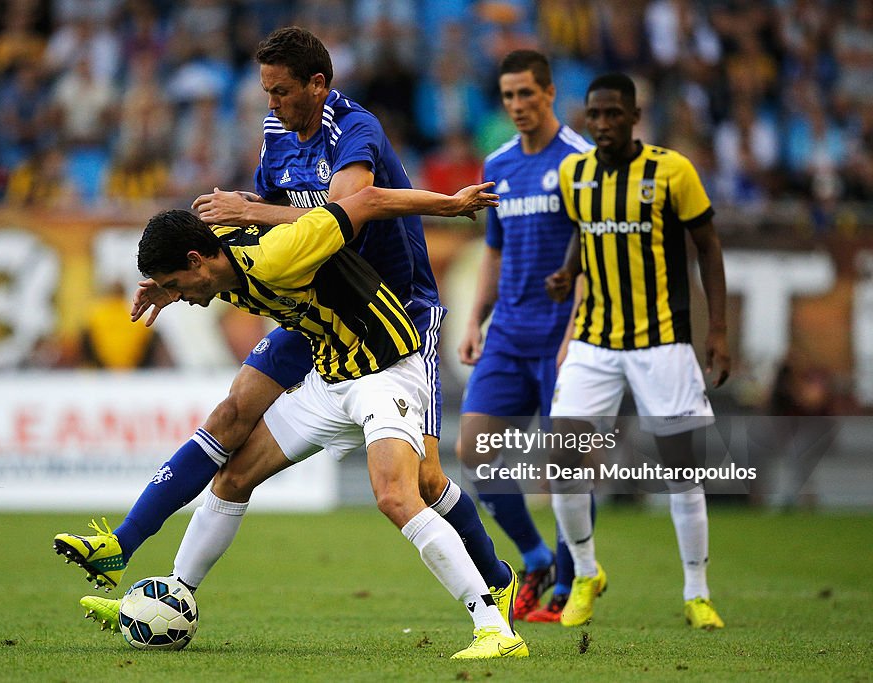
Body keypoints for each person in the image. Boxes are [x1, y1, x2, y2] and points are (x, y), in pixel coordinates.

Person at [53, 27, 522, 657]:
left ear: (318, 85)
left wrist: (450, 202)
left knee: (415, 485)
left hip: (393, 321)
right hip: (324, 333)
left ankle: (495, 603)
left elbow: (359, 204)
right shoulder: (257, 195)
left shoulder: (349, 137)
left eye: (281, 91)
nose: (271, 103)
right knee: (232, 451)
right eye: (265, 91)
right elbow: (239, 234)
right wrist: (171, 286)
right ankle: (161, 583)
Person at [543, 72, 731, 630]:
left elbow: (708, 247)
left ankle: (697, 592)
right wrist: (569, 271)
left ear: (633, 116)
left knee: (682, 472)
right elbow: (586, 230)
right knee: (563, 462)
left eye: (612, 114)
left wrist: (716, 330)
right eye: (593, 115)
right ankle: (583, 573)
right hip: (594, 340)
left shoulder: (672, 171)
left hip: (664, 343)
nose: (601, 124)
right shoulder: (574, 173)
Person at [456, 49, 594, 623]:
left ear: (550, 92)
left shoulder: (583, 162)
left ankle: (569, 582)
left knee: (568, 464)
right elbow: (494, 248)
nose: (516, 105)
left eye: (526, 94)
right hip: (509, 334)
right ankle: (535, 559)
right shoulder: (500, 163)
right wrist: (475, 319)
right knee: (473, 449)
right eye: (508, 95)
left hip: (568, 336)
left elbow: (594, 252)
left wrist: (578, 332)